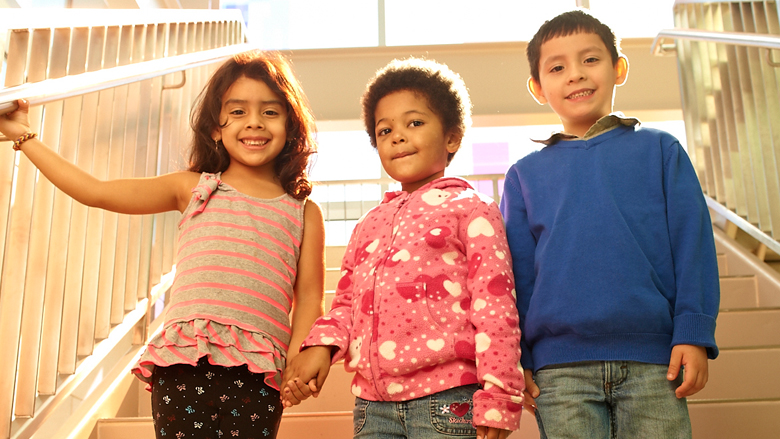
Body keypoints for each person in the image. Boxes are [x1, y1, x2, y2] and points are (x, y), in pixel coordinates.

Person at [0, 50, 325, 439]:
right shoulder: (194, 187)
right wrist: (23, 135)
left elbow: (309, 299)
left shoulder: (303, 211)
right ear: (215, 129)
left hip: (258, 372)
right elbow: (95, 192)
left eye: (270, 112)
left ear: (291, 126)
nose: (254, 122)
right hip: (183, 362)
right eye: (237, 111)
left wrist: (298, 361)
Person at [500, 9, 720, 439]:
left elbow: (692, 244)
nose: (576, 75)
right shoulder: (522, 176)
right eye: (557, 67)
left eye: (591, 60)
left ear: (619, 69)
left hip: (656, 363)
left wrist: (694, 331)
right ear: (538, 88)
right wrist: (520, 357)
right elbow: (517, 278)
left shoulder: (662, 150)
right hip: (559, 372)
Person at [281, 57, 524, 439]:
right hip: (371, 408)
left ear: (452, 137)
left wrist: (501, 394)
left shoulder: (472, 209)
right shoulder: (368, 225)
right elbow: (346, 306)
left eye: (414, 123)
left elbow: (495, 308)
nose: (397, 136)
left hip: (447, 400)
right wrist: (320, 347)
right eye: (384, 130)